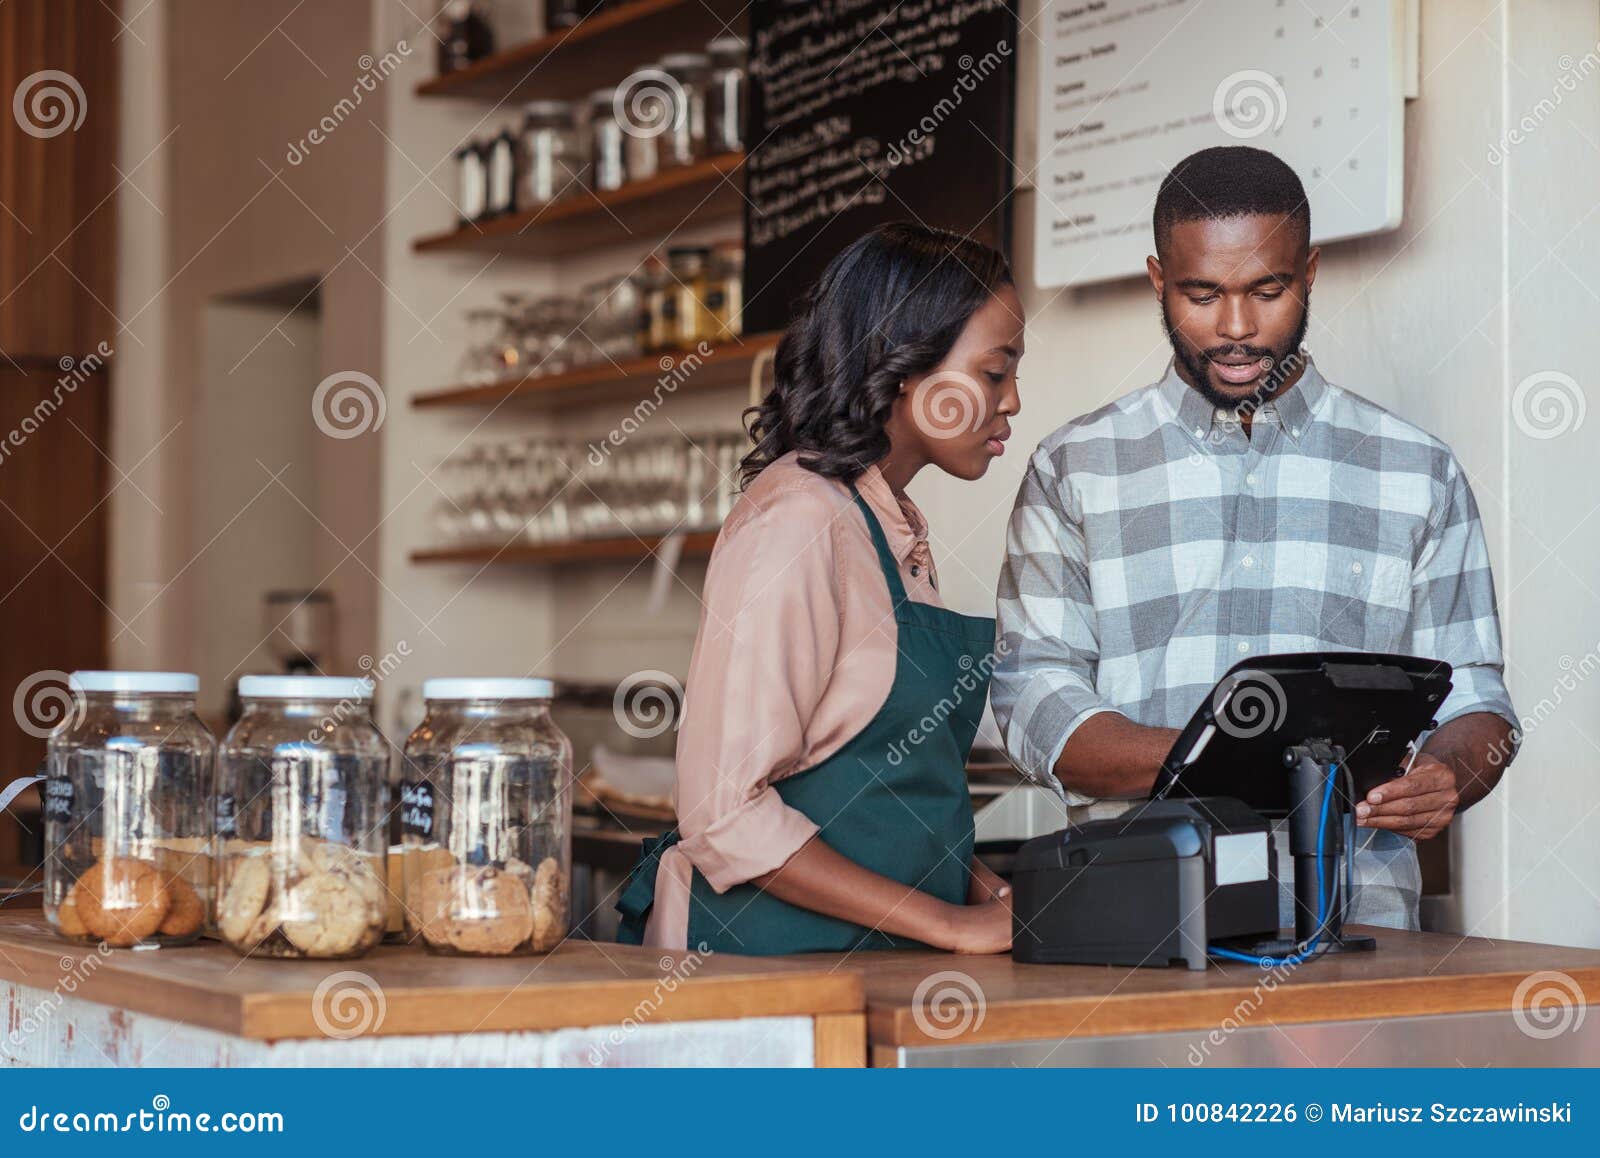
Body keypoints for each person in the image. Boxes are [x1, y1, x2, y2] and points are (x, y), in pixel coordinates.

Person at [992, 146, 1517, 931]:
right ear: (1157, 281)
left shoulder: (1417, 472)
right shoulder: (1076, 468)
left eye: (1267, 291)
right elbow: (1034, 694)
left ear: (1308, 273)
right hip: (1138, 926)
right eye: (1201, 295)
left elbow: (1480, 704)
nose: (1236, 330)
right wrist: (1231, 756)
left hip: (1355, 929)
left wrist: (1447, 771)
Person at [617, 222, 1023, 954]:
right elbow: (724, 813)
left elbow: (883, 797)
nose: (1014, 401)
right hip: (758, 972)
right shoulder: (799, 519)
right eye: (995, 372)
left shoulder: (891, 530)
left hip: (871, 965)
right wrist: (951, 925)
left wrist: (985, 888)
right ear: (906, 366)